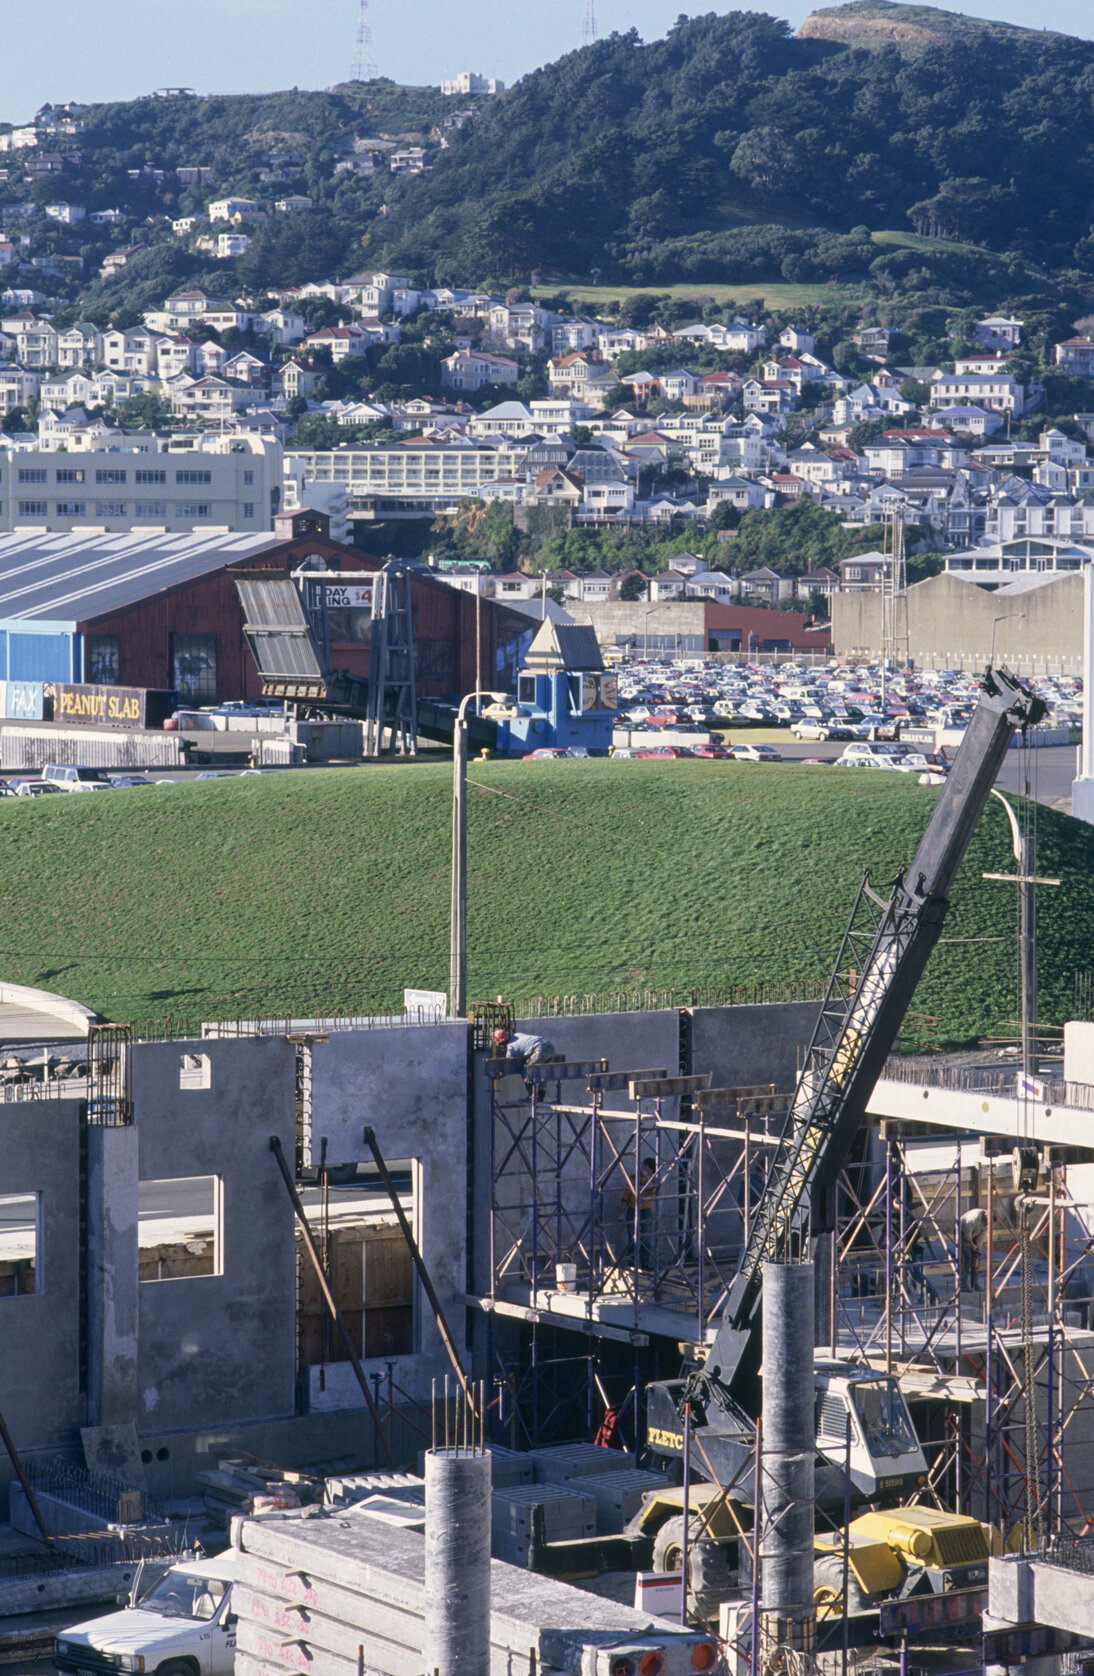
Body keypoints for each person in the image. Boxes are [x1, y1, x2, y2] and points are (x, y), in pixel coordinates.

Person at [622, 1156, 657, 1270]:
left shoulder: (653, 1181)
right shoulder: (633, 1178)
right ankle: (632, 1263)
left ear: (651, 1169)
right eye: (643, 1166)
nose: (643, 1168)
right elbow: (625, 1197)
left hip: (646, 1212)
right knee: (632, 1237)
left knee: (645, 1237)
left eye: (646, 1167)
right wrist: (621, 1213)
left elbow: (651, 1189)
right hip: (632, 1210)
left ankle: (645, 1262)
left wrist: (647, 1176)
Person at [492, 1026, 561, 1072]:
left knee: (527, 1070)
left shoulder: (511, 1049)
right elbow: (525, 1047)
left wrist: (501, 1072)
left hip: (540, 1049)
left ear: (501, 1042)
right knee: (544, 1071)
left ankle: (531, 1094)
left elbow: (508, 1064)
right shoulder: (517, 1034)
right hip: (550, 1046)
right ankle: (542, 1090)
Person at [960, 1206, 988, 1291]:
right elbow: (967, 1232)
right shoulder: (974, 1217)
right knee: (967, 1256)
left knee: (976, 1257)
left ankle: (974, 1284)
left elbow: (982, 1236)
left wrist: (977, 1249)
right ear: (986, 1215)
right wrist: (971, 1244)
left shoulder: (987, 1222)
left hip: (973, 1234)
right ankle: (963, 1284)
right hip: (962, 1232)